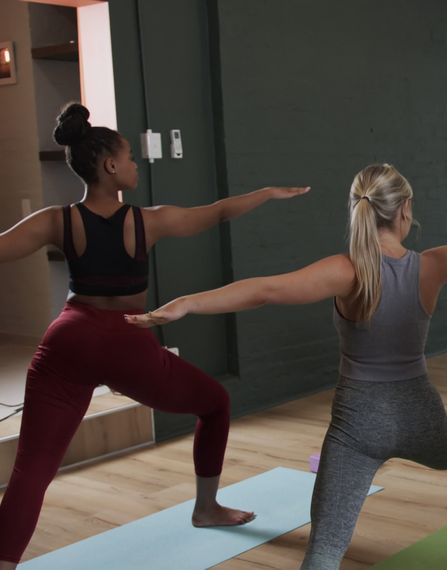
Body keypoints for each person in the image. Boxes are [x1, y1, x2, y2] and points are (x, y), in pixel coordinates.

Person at [127, 163, 447, 570]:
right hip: (419, 417)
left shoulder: (345, 270)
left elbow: (265, 290)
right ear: (405, 208)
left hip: (356, 429)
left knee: (325, 548)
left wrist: (187, 303)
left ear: (358, 209)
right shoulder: (430, 266)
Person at [0, 103, 308, 568]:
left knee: (31, 471)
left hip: (66, 339)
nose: (134, 164)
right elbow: (219, 212)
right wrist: (266, 193)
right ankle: (206, 508)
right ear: (109, 166)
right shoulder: (148, 220)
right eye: (128, 157)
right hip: (124, 340)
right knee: (215, 403)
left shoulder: (56, 220)